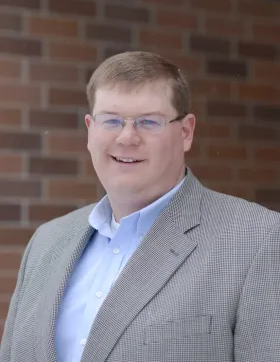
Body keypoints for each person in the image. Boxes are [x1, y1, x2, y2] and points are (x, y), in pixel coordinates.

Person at [0, 51, 279, 362]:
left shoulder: (257, 239)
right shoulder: (47, 242)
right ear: (90, 129)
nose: (127, 137)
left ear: (185, 132)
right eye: (111, 120)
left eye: (149, 121)